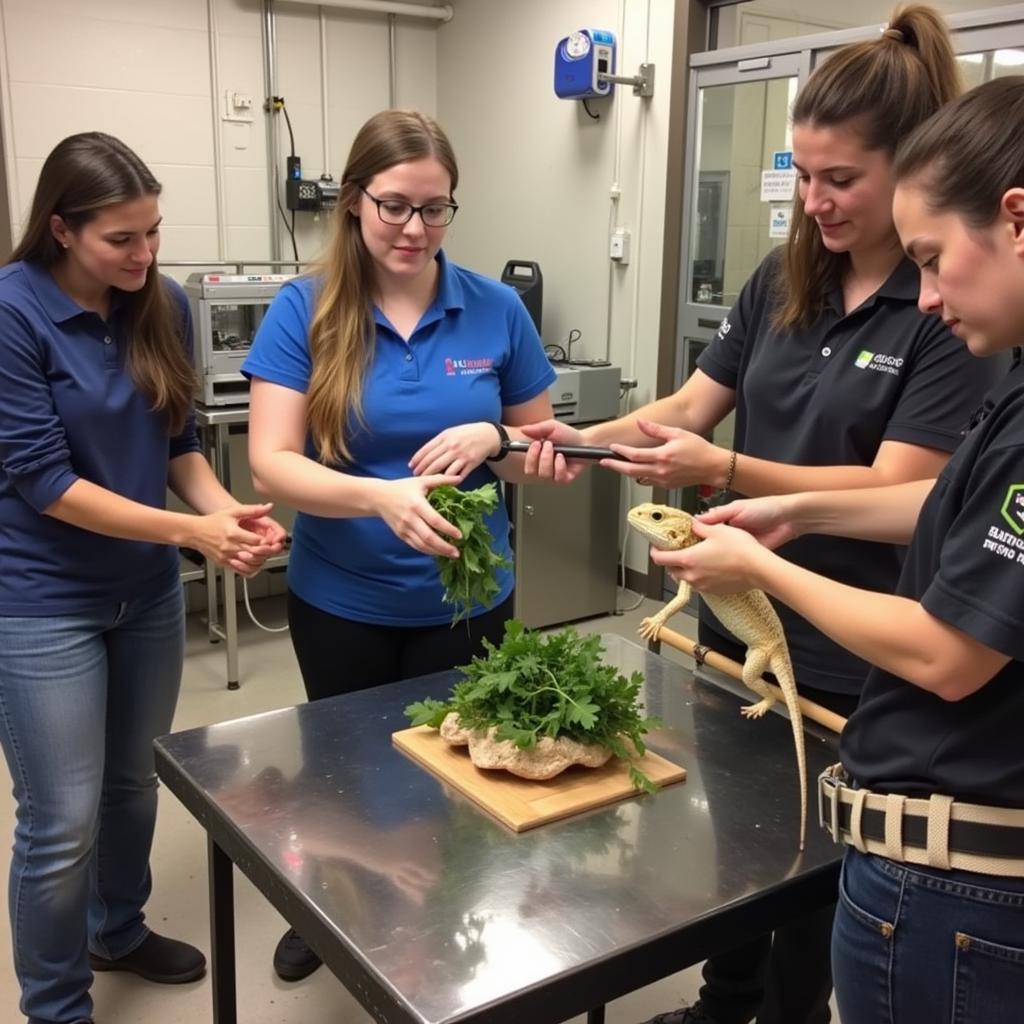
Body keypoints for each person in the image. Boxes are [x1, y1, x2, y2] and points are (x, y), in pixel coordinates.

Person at [522, 8, 1009, 1024]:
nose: (814, 201)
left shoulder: (953, 318)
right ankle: (721, 1002)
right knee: (731, 843)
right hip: (733, 606)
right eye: (800, 175)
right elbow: (683, 414)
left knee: (807, 871)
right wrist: (570, 441)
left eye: (841, 180)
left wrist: (738, 479)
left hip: (855, 641)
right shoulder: (782, 278)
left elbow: (900, 493)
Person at [648, 73, 1024, 1024]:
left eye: (936, 258)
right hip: (932, 835)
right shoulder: (1005, 382)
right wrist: (802, 513)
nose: (929, 296)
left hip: (953, 859)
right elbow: (939, 502)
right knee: (744, 841)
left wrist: (762, 558)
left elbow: (947, 651)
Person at [244, 108, 556, 981]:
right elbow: (272, 464)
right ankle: (329, 902)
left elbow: (542, 451)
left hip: (467, 600)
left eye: (436, 208)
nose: (415, 229)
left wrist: (496, 438)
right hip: (341, 597)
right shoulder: (305, 309)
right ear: (352, 202)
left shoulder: (494, 308)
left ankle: (448, 901)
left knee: (462, 764)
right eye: (394, 207)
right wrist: (378, 496)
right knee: (339, 766)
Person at [0, 132, 286, 1024]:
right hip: (43, 600)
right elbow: (47, 483)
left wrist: (222, 513)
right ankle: (56, 1006)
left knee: (132, 782)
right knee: (60, 820)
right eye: (122, 238)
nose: (146, 254)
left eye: (154, 231)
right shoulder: (13, 312)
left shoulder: (160, 301)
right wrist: (192, 531)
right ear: (60, 228)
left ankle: (116, 929)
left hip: (146, 592)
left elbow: (178, 442)